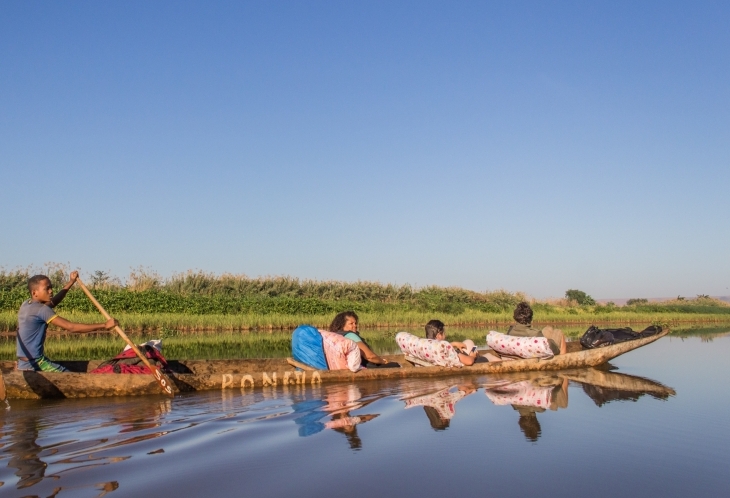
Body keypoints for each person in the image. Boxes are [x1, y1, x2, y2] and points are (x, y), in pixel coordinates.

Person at [17, 272, 118, 372]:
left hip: (23, 363)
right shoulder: (42, 310)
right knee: (71, 378)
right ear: (34, 293)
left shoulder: (26, 304)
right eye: (47, 289)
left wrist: (71, 282)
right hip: (36, 364)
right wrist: (104, 325)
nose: (51, 291)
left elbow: (53, 302)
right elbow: (71, 327)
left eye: (51, 287)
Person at [329, 311, 398, 368]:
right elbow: (370, 356)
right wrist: (383, 361)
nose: (355, 325)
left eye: (355, 323)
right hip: (365, 367)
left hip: (347, 366)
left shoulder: (336, 335)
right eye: (351, 323)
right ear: (342, 325)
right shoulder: (350, 335)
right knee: (396, 365)